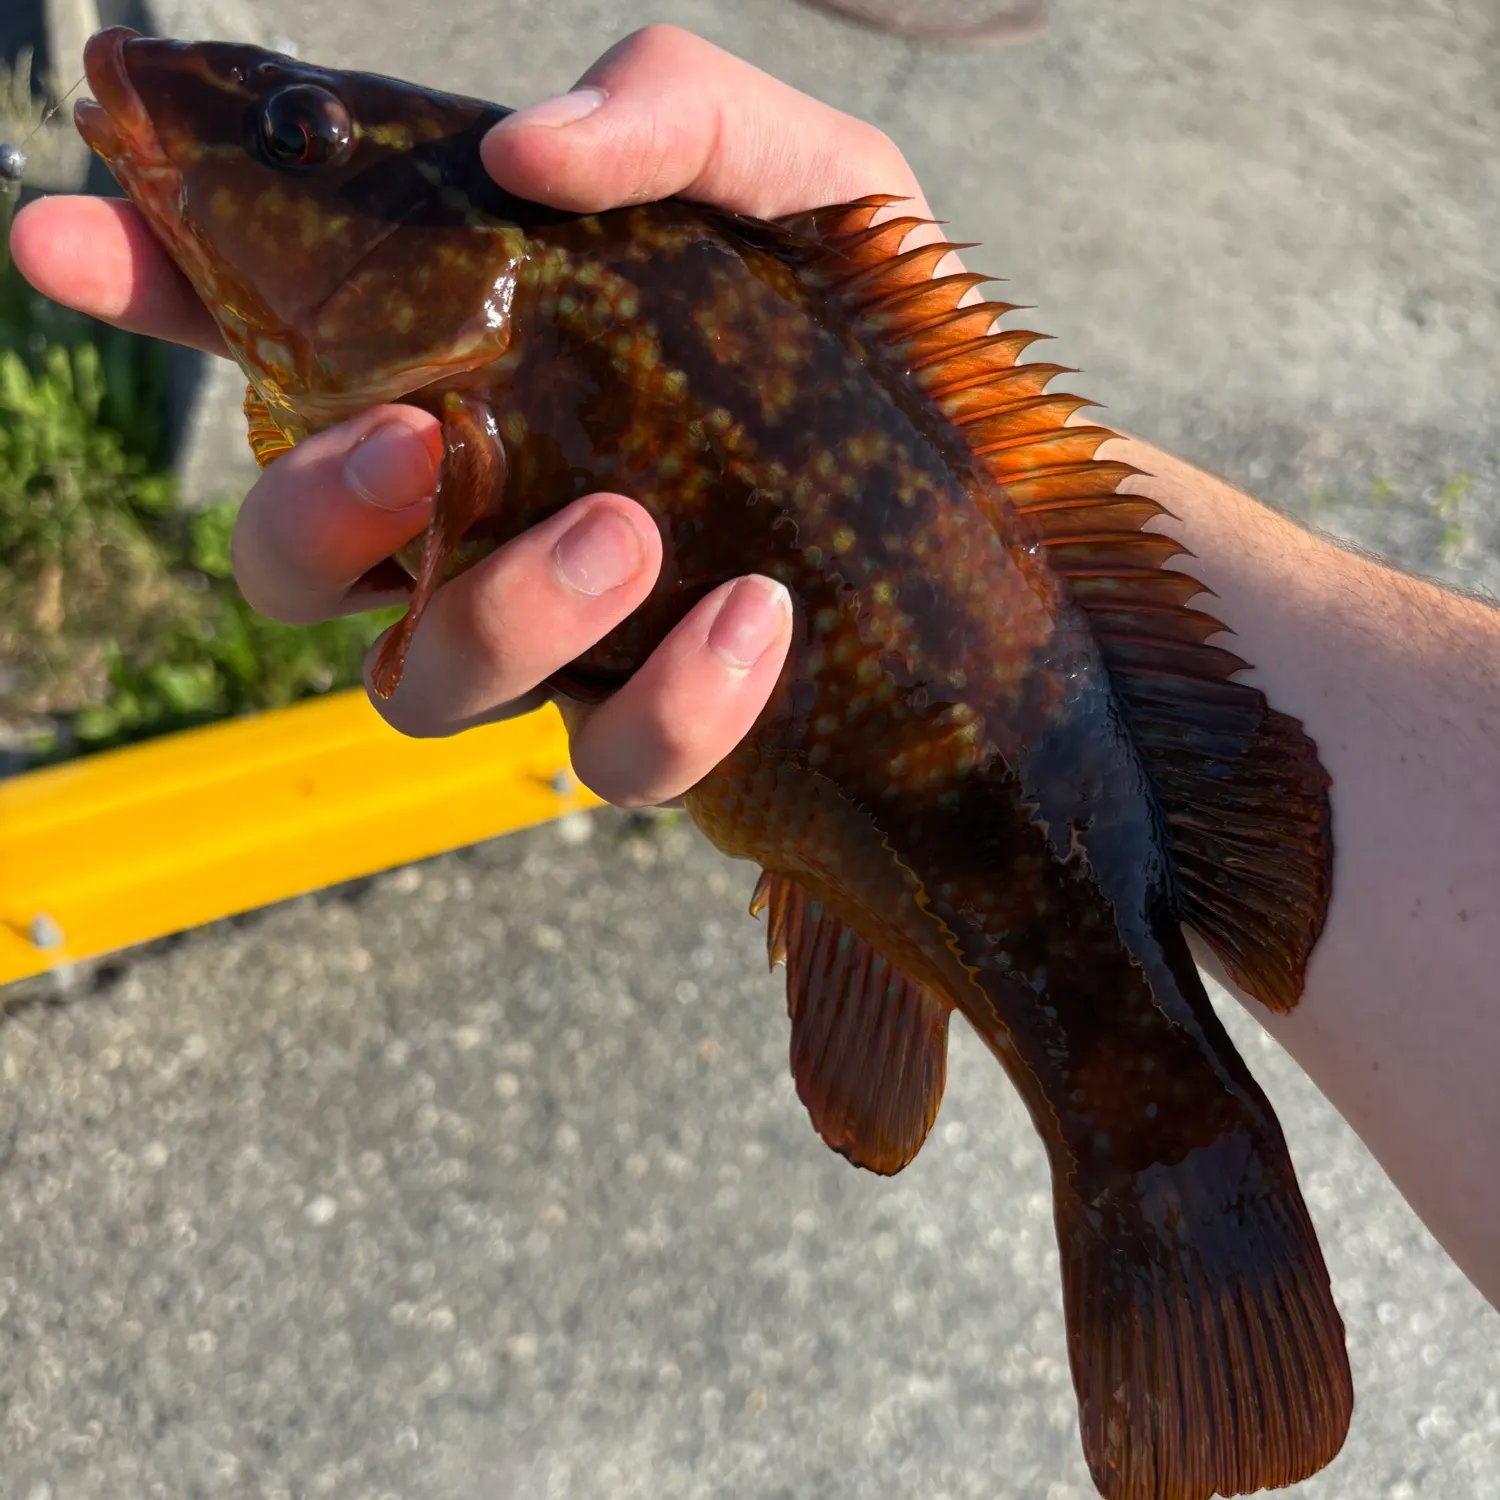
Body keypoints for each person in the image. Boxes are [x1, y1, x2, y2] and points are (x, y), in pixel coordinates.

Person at [12, 25, 1499, 1308]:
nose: (217, 120)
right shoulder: (544, 309)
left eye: (299, 132)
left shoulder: (554, 263)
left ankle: (1156, 1150)